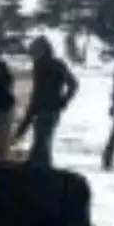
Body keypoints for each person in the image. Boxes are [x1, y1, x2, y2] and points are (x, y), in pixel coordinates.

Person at [14, 36, 78, 168]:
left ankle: (43, 170)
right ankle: (37, 167)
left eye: (35, 52)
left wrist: (63, 101)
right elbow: (37, 93)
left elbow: (73, 84)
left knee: (42, 142)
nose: (33, 56)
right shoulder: (40, 66)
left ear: (43, 50)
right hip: (43, 109)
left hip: (50, 109)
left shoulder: (56, 65)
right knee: (41, 142)